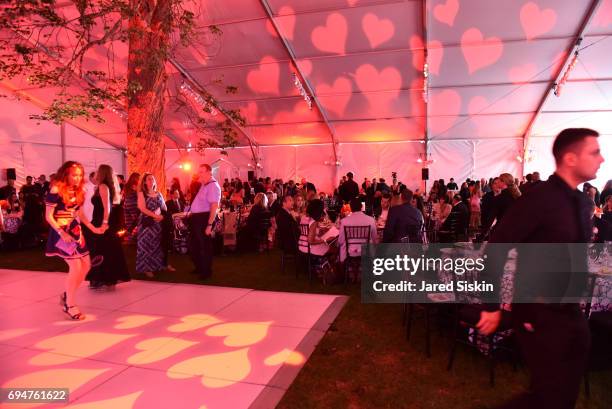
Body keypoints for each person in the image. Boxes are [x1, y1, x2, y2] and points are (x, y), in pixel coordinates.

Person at [478, 128, 605, 409]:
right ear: (570, 158)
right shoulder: (540, 199)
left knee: (562, 395)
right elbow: (496, 248)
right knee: (548, 397)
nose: (602, 159)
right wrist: (491, 305)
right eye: (594, 152)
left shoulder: (581, 202)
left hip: (571, 314)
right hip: (540, 313)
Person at [45, 161, 91, 320]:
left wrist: (94, 228)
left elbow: (80, 214)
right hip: (61, 231)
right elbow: (48, 216)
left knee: (87, 265)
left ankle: (67, 295)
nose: (77, 178)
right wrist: (61, 232)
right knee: (76, 265)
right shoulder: (56, 189)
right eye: (74, 175)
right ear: (66, 174)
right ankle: (70, 305)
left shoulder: (80, 190)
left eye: (79, 175)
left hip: (76, 231)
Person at [82, 164, 130, 289]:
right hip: (98, 221)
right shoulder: (100, 187)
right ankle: (102, 279)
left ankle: (105, 279)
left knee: (102, 251)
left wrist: (104, 223)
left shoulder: (103, 186)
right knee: (102, 250)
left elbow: (106, 208)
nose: (96, 174)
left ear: (102, 173)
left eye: (98, 172)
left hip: (102, 222)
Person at [186, 164, 221, 279]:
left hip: (204, 218)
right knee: (194, 244)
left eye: (202, 172)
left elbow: (214, 206)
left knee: (205, 246)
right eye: (199, 171)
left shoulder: (213, 186)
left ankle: (206, 271)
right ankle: (200, 267)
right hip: (196, 218)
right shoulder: (204, 185)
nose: (199, 174)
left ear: (209, 172)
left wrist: (209, 224)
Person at [136, 173, 166, 277]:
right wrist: (155, 216)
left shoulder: (159, 194)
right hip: (146, 223)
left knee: (156, 245)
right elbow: (142, 208)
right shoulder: (142, 194)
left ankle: (156, 265)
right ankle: (145, 268)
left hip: (157, 224)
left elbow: (164, 208)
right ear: (144, 182)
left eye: (152, 179)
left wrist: (161, 216)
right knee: (145, 245)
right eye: (148, 179)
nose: (151, 180)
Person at [338, 197, 377, 264]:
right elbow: (374, 238)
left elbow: (341, 241)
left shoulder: (344, 221)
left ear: (350, 207)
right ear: (361, 206)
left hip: (349, 251)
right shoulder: (371, 220)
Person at [122, 172, 140, 243]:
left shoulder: (127, 186)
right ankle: (133, 238)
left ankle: (130, 238)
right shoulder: (134, 186)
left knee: (130, 222)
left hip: (128, 204)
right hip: (133, 204)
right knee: (135, 222)